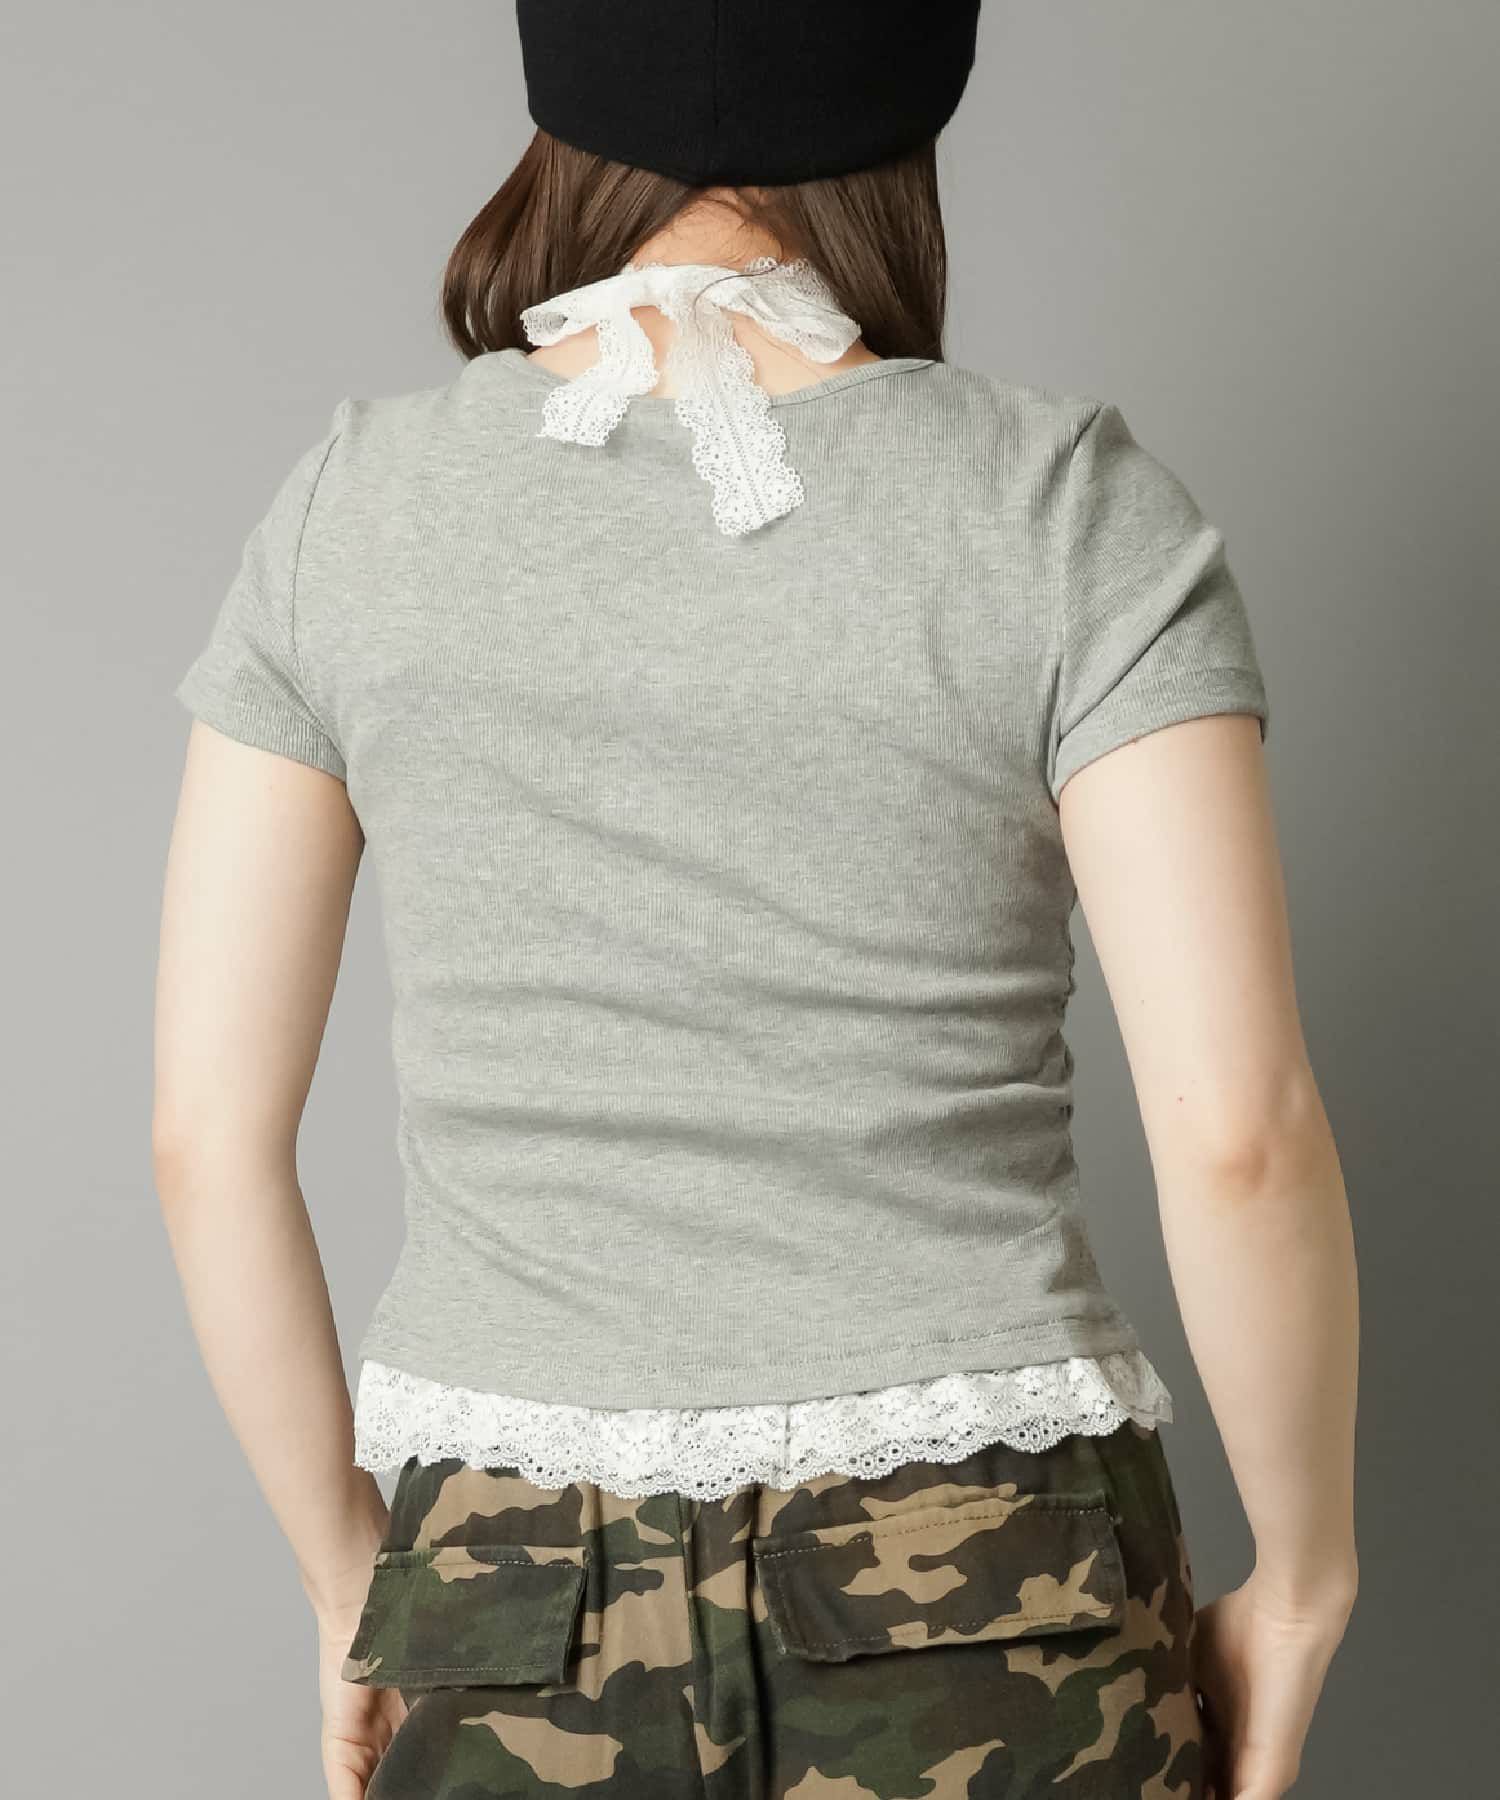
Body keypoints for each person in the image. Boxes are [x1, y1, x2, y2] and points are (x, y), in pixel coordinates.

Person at [153, 4, 1359, 1796]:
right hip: (999, 1579)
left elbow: (205, 1142)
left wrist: (354, 1577)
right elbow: (1240, 1136)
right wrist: (1306, 1579)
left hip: (512, 1595)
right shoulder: (1066, 505)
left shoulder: (354, 510)